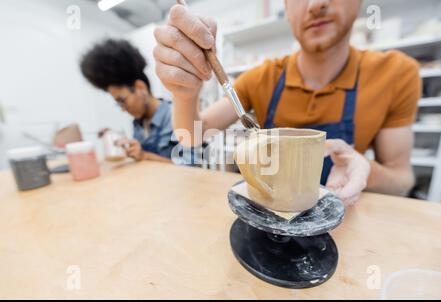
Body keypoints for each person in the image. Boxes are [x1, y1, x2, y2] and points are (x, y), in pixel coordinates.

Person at [153, 0, 421, 205]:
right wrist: (184, 93)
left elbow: (402, 180)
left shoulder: (396, 74)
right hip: (274, 213)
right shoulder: (262, 78)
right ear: (285, 6)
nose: (316, 5)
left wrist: (364, 170)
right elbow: (191, 135)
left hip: (343, 216)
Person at [80, 39, 175, 163]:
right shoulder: (138, 123)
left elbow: (193, 167)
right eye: (118, 103)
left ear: (140, 88)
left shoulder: (175, 115)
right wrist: (116, 137)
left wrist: (144, 156)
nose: (123, 109)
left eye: (122, 100)